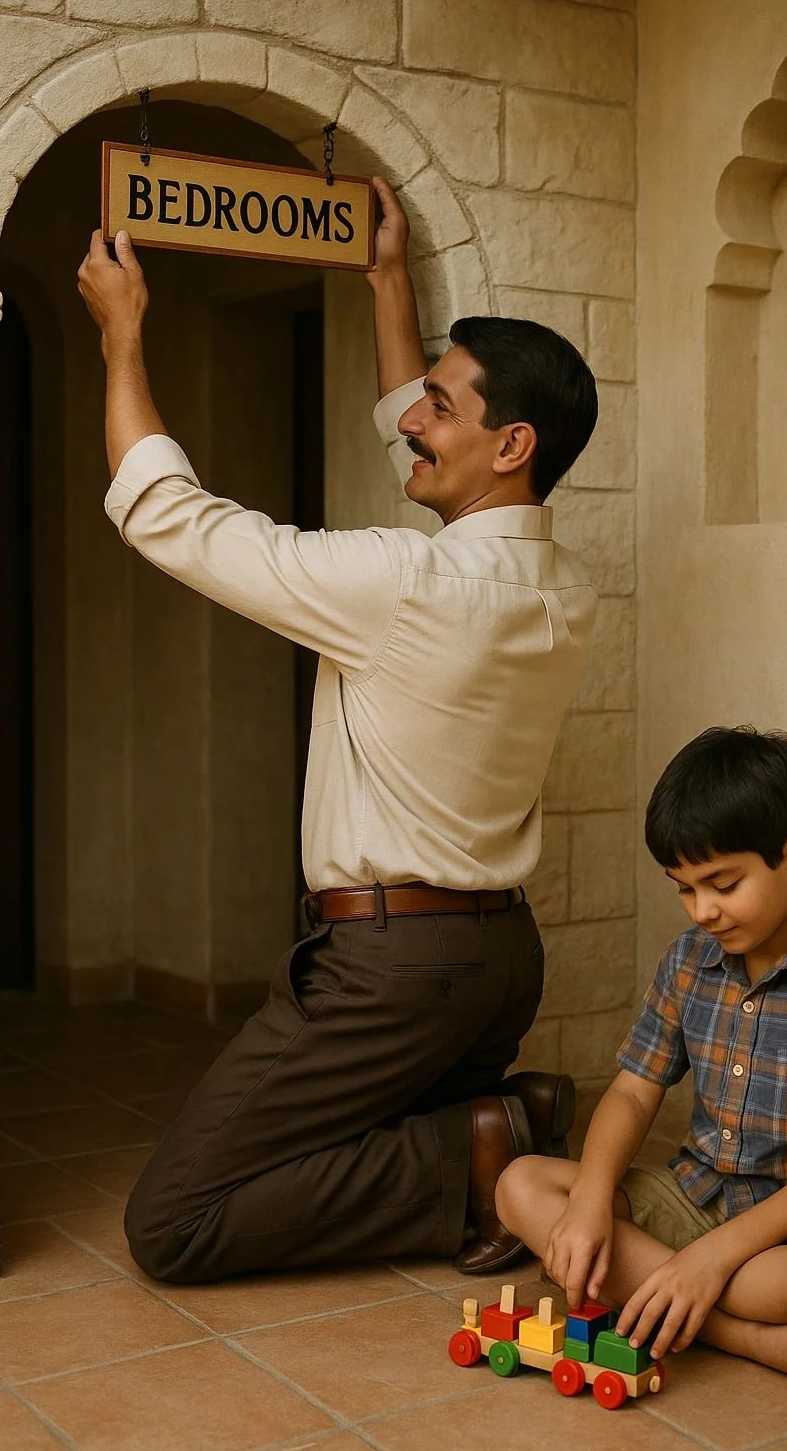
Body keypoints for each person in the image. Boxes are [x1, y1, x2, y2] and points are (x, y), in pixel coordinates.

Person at [76, 176, 599, 1282]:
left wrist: (124, 338)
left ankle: (476, 1147)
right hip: (500, 961)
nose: (413, 415)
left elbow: (166, 516)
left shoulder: (405, 584)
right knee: (305, 1152)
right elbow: (408, 438)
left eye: (442, 408)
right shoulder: (565, 591)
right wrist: (385, 279)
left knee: (174, 1223)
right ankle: (499, 1123)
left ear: (509, 446)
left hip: (391, 969)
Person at [496, 726, 787, 1398]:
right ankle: (743, 1335)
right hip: (697, 1194)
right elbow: (633, 1095)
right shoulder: (688, 960)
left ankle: (675, 1289)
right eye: (684, 889)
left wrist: (710, 1260)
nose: (704, 910)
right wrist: (594, 1200)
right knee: (521, 1185)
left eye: (722, 884)